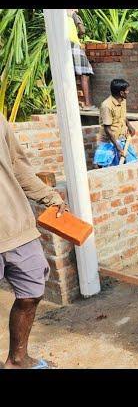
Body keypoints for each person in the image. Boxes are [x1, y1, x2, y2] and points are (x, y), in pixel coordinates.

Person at [0, 113, 67, 369]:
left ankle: (17, 359)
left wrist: (49, 196)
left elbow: (16, 164)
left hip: (15, 223)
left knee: (31, 291)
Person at [93, 79, 138, 167]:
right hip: (110, 141)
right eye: (127, 90)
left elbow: (122, 116)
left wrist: (129, 126)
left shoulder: (123, 101)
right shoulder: (106, 106)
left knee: (131, 163)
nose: (128, 92)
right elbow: (107, 129)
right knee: (108, 167)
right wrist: (118, 147)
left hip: (121, 138)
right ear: (121, 93)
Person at [67, 9, 94, 109]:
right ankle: (87, 104)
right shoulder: (72, 14)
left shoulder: (58, 17)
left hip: (64, 47)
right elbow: (82, 30)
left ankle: (73, 104)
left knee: (70, 76)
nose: (77, 10)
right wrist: (79, 35)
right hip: (74, 45)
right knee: (85, 74)